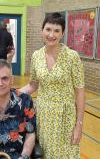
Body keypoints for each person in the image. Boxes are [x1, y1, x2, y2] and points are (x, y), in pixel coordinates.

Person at [20, 12, 85, 158]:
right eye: (48, 29)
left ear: (62, 33)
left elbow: (80, 92)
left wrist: (79, 125)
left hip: (65, 117)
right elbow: (33, 85)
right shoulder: (36, 55)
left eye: (56, 31)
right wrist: (12, 94)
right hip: (43, 115)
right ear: (42, 30)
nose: (51, 34)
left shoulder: (72, 57)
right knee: (44, 153)